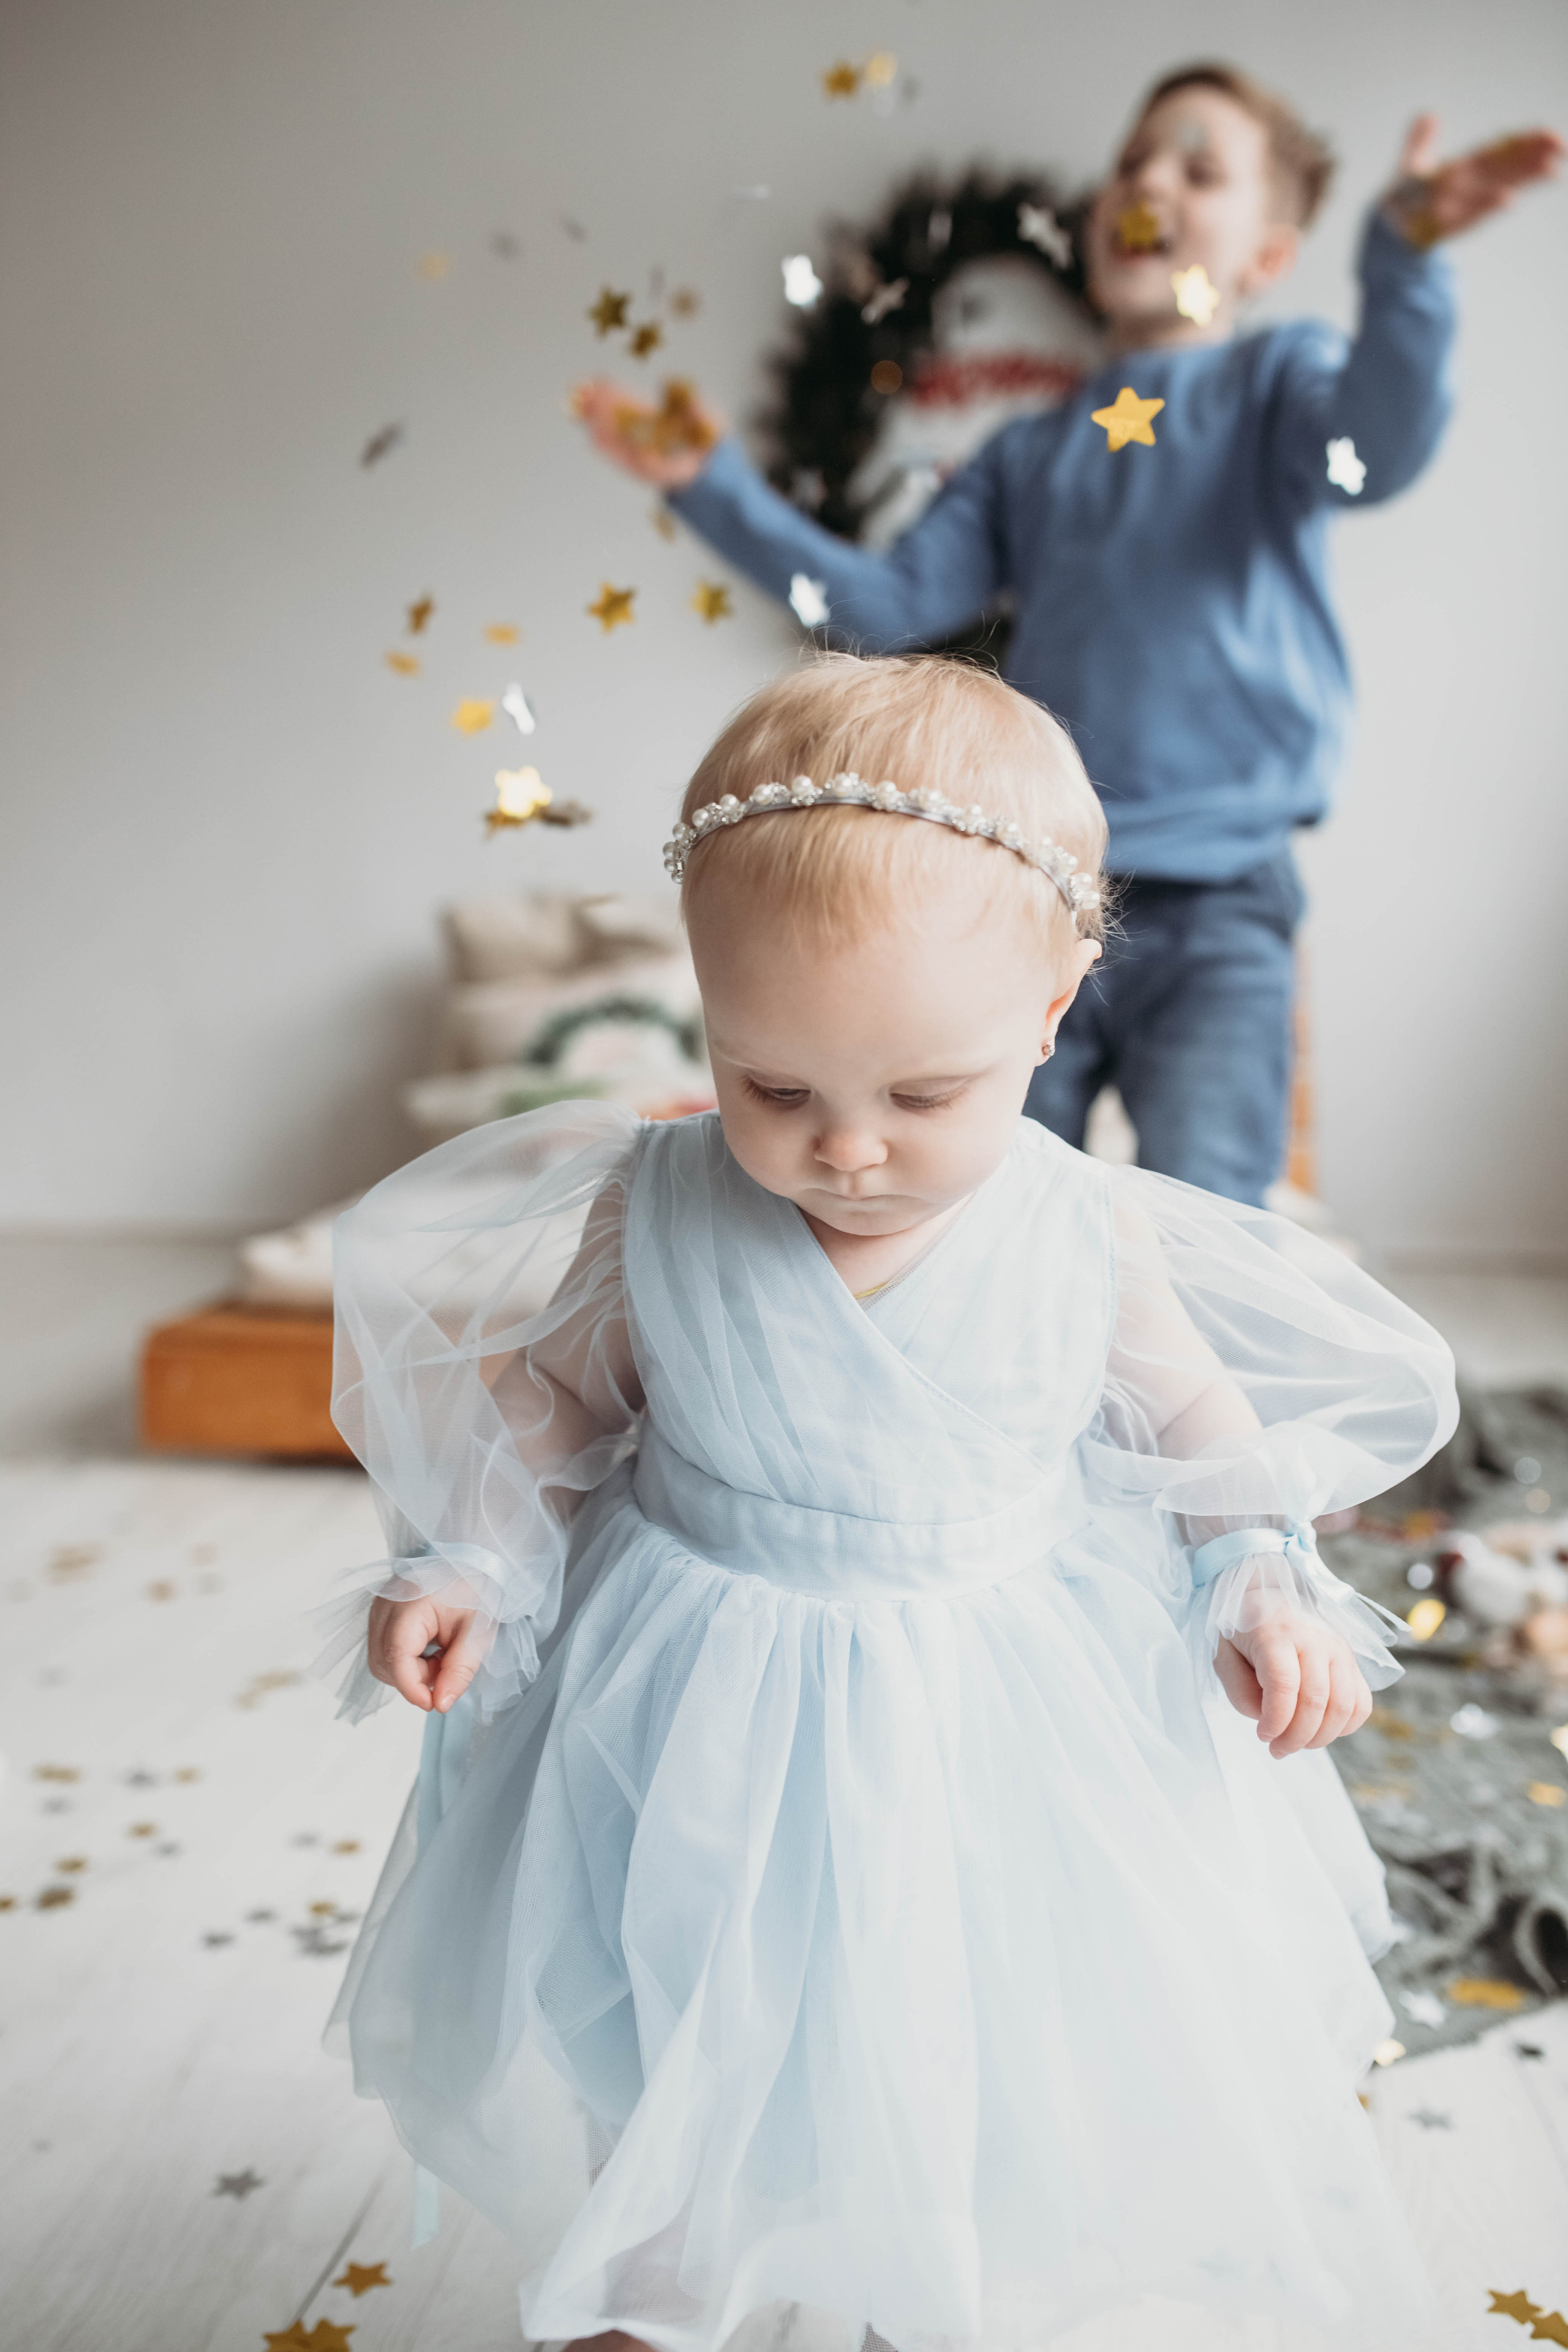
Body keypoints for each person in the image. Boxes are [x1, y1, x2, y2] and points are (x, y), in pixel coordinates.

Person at [317, 655, 1460, 2351]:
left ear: (1058, 1011)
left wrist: (1262, 1581)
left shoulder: (1079, 1227)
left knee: (968, 2018)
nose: (844, 1150)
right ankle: (666, 2268)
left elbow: (1198, 1415)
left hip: (987, 1709)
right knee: (685, 2002)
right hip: (696, 1694)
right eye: (769, 1085)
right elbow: (555, 1398)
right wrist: (472, 1555)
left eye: (925, 1096)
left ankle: (932, 2272)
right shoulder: (654, 1204)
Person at [575, 65, 1560, 1208]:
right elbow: (883, 612)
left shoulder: (1275, 388)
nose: (1147, 182)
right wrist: (714, 489)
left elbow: (1376, 452)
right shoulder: (1026, 455)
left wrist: (1406, 260)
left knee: (1214, 1218)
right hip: (1031, 883)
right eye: (1133, 163)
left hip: (1225, 896)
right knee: (984, 1211)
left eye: (1197, 169)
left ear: (1268, 258)